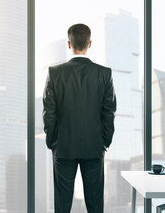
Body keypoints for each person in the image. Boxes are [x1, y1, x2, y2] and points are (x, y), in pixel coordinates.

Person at [43, 23, 117, 213]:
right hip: (94, 147)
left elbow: (49, 112)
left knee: (62, 206)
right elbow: (109, 112)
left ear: (69, 44)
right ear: (89, 43)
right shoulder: (104, 74)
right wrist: (104, 142)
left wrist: (53, 142)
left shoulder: (54, 73)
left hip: (64, 147)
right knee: (95, 205)